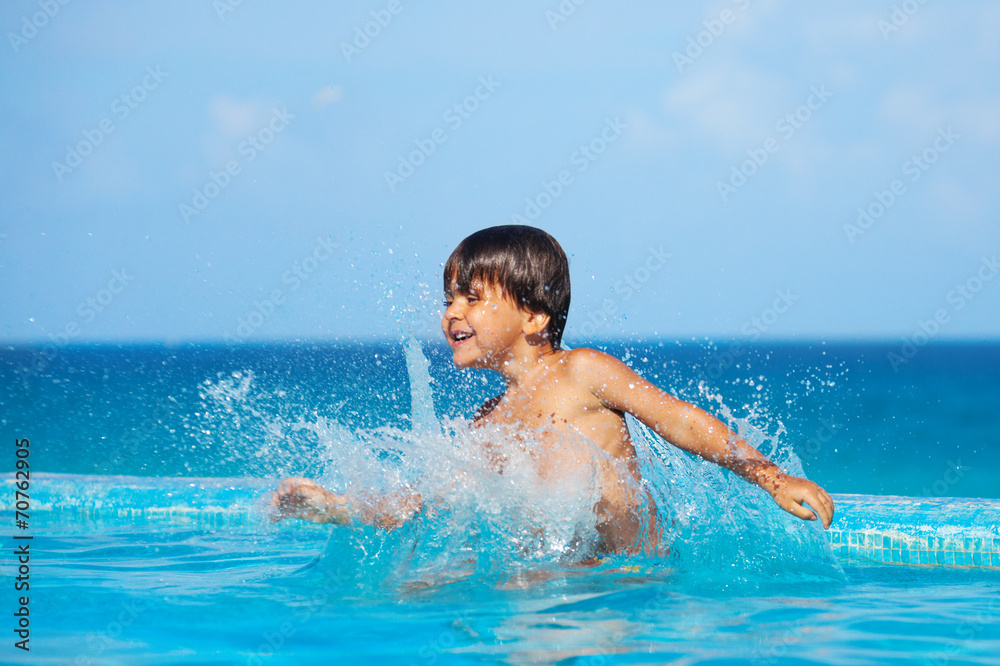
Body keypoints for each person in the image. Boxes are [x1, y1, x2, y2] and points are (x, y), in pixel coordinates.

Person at [272, 225, 834, 555]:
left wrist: (771, 478)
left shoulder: (581, 373)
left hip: (632, 581)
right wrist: (339, 509)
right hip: (558, 588)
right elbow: (421, 505)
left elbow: (679, 421)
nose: (452, 313)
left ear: (536, 316)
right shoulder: (487, 423)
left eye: (472, 297)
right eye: (449, 300)